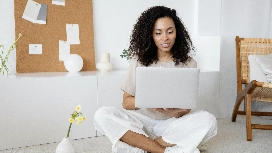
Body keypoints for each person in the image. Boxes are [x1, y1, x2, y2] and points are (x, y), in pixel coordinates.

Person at [94, 6, 217, 153]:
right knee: (102, 114)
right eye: (158, 33)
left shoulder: (189, 63)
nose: (165, 38)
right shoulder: (138, 61)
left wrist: (170, 111)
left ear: (177, 32)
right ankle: (164, 150)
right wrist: (149, 101)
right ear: (150, 35)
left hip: (171, 124)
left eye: (170, 32)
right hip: (140, 121)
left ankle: (144, 145)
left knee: (208, 121)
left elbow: (185, 110)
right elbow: (126, 102)